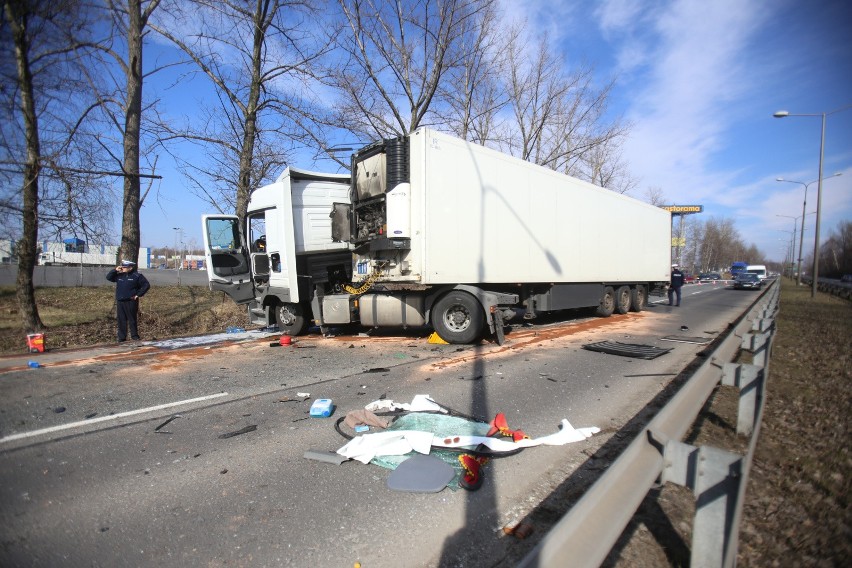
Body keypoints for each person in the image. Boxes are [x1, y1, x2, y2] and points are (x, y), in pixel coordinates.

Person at [106, 260, 150, 342]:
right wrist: (115, 270)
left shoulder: (137, 276)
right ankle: (122, 337)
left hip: (131, 301)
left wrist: (138, 294)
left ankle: (134, 336)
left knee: (132, 319)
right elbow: (108, 277)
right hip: (120, 301)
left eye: (125, 267)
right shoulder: (120, 276)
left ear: (130, 268)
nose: (123, 268)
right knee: (121, 319)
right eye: (122, 267)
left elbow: (146, 285)